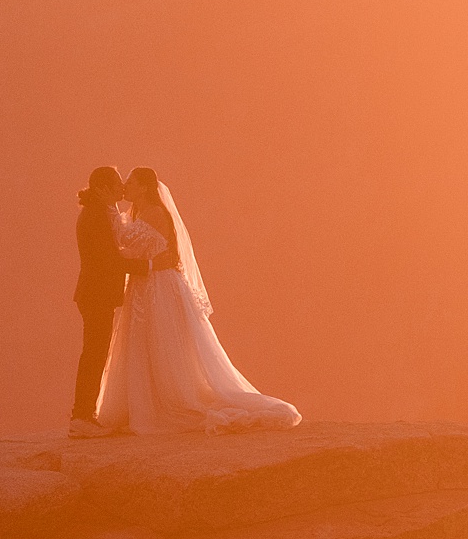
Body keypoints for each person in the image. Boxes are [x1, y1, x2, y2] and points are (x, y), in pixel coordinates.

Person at [95, 166, 301, 435]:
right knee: (142, 344)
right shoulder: (137, 213)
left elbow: (126, 239)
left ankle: (169, 400)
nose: (125, 187)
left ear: (144, 187)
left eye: (131, 183)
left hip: (160, 287)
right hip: (144, 286)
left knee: (162, 342)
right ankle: (145, 402)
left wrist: (108, 207)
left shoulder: (156, 213)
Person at [68, 165, 140, 437]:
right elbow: (109, 260)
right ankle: (82, 417)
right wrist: (148, 266)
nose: (122, 188)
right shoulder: (96, 216)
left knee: (95, 353)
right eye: (117, 184)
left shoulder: (98, 212)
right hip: (95, 294)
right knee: (93, 355)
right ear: (102, 188)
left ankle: (85, 415)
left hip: (95, 294)